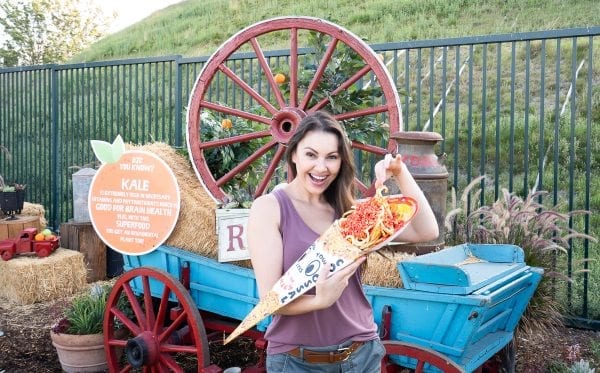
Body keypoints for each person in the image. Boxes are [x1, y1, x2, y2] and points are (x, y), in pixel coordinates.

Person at [246, 111, 438, 372]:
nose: (321, 167)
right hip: (297, 361)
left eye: (332, 157)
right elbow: (269, 298)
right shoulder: (270, 209)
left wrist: (400, 172)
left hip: (361, 355)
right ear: (293, 154)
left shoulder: (351, 212)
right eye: (311, 154)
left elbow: (426, 231)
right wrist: (318, 301)